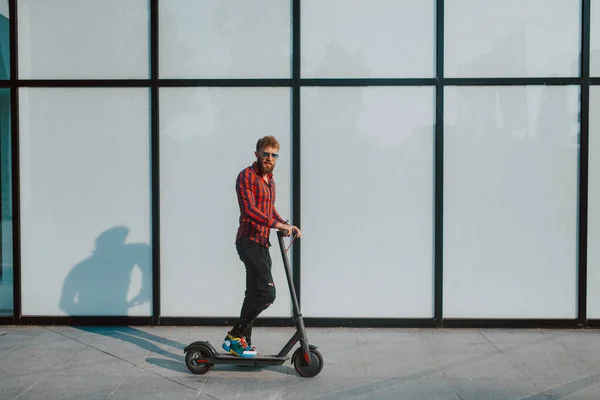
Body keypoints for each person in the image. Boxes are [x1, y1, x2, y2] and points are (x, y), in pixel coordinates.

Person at [222, 136, 301, 358]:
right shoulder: (246, 176)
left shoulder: (270, 180)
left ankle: (242, 343)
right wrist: (276, 224)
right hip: (248, 242)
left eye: (273, 155)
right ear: (257, 153)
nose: (269, 158)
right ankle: (234, 336)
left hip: (263, 242)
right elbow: (250, 210)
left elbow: (268, 209)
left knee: (253, 293)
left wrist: (286, 224)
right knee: (267, 293)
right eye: (265, 153)